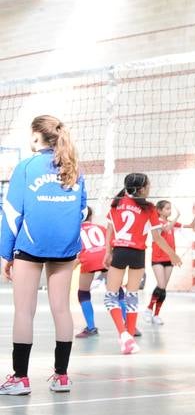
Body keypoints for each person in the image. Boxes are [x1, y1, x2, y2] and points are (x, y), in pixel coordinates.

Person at [0, 115, 85, 395]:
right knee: (62, 308)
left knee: (24, 311)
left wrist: (5, 254)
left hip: (31, 245)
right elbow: (82, 211)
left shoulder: (26, 167)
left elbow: (12, 213)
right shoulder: (73, 169)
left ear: (36, 137)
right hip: (65, 247)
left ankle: (20, 379)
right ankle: (61, 377)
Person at [104, 173, 181, 355]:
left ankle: (124, 335)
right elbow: (157, 238)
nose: (150, 187)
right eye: (148, 185)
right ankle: (129, 336)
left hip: (120, 252)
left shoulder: (116, 203)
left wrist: (108, 252)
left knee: (110, 297)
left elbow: (109, 229)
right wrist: (173, 254)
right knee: (132, 296)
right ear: (141, 189)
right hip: (138, 253)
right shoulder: (149, 208)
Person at [145, 200, 195, 325]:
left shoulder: (171, 223)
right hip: (157, 258)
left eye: (170, 208)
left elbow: (191, 225)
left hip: (169, 259)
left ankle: (156, 315)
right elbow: (166, 228)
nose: (169, 211)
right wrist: (177, 216)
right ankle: (148, 309)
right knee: (161, 285)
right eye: (167, 209)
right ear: (159, 211)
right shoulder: (156, 222)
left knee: (163, 289)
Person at [75, 207, 110, 338]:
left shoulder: (75, 231)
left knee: (83, 292)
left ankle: (91, 327)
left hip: (89, 258)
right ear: (91, 216)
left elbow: (75, 251)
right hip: (105, 257)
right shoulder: (101, 227)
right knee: (116, 291)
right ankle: (129, 326)